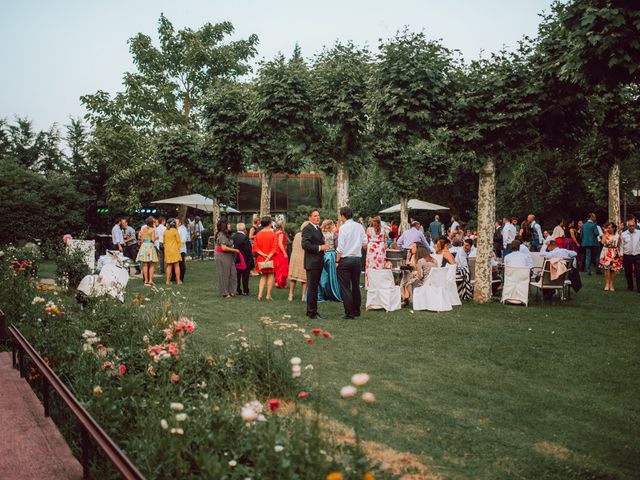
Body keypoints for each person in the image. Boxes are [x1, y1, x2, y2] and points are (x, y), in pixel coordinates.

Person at [336, 207, 368, 320]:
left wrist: (336, 261)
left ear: (343, 216)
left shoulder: (343, 228)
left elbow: (340, 247)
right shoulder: (359, 227)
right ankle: (356, 310)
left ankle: (349, 313)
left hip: (345, 259)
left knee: (345, 287)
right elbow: (365, 243)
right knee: (355, 286)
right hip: (357, 259)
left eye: (340, 215)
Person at [302, 210, 330, 319]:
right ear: (310, 218)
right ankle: (311, 312)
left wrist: (324, 247)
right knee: (313, 288)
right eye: (315, 216)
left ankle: (312, 310)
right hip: (312, 263)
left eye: (318, 215)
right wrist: (320, 248)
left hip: (318, 262)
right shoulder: (307, 229)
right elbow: (305, 245)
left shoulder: (318, 229)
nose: (317, 217)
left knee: (314, 288)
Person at [253, 216, 277, 301]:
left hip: (261, 258)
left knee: (263, 276)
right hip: (271, 258)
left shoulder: (258, 234)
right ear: (270, 223)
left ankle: (260, 294)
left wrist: (263, 255)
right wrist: (268, 257)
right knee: (271, 275)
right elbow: (274, 248)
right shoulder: (273, 234)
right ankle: (268, 295)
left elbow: (255, 247)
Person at [215, 218, 239, 297]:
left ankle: (232, 290)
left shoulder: (227, 234)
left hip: (229, 255)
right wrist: (234, 250)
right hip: (222, 256)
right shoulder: (221, 235)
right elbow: (223, 248)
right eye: (228, 224)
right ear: (224, 225)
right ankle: (225, 292)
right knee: (224, 274)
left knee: (233, 273)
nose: (230, 225)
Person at [318, 219, 341, 302]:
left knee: (323, 275)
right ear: (329, 225)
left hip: (323, 255)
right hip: (331, 255)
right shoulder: (334, 235)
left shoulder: (321, 235)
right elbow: (337, 246)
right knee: (332, 275)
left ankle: (323, 293)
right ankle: (332, 293)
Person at [288, 222, 308, 302]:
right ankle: (303, 296)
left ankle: (290, 295)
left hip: (294, 257)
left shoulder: (297, 235)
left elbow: (293, 245)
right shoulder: (307, 236)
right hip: (304, 257)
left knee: (293, 277)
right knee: (304, 278)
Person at [232, 222, 254, 296]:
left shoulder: (233, 236)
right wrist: (251, 259)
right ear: (244, 229)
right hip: (244, 259)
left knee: (237, 275)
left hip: (236, 258)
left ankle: (237, 289)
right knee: (245, 276)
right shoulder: (244, 237)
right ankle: (245, 290)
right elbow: (248, 250)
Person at [599, 222, 622, 291]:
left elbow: (619, 245)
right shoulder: (605, 234)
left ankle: (611, 284)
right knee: (606, 268)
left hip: (614, 252)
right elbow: (602, 242)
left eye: (609, 227)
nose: (608, 229)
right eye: (607, 227)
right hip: (606, 252)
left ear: (613, 228)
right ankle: (607, 283)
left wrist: (619, 254)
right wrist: (605, 235)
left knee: (613, 269)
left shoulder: (617, 235)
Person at [136, 216, 159, 285]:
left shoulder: (143, 229)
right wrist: (156, 238)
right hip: (150, 246)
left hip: (143, 246)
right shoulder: (152, 229)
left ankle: (145, 280)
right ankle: (150, 280)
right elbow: (152, 239)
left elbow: (142, 239)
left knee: (145, 264)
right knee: (151, 264)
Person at [621, 216, 640, 292]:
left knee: (638, 272)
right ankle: (630, 286)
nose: (632, 227)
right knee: (628, 272)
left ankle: (639, 288)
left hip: (637, 254)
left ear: (635, 225)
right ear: (627, 226)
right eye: (630, 226)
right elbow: (621, 245)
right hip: (627, 255)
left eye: (633, 226)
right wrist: (621, 255)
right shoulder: (623, 234)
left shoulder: (639, 233)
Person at [163, 219, 182, 285]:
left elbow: (164, 242)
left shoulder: (165, 231)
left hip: (167, 250)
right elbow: (178, 241)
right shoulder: (175, 231)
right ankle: (178, 281)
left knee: (169, 266)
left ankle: (167, 281)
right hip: (174, 250)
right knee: (176, 265)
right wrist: (180, 248)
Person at [273, 220, 289, 289]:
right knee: (283, 268)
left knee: (278, 267)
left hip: (276, 252)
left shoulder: (275, 233)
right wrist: (285, 253)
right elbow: (280, 243)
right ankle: (280, 283)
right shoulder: (281, 233)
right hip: (281, 252)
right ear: (282, 225)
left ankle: (278, 282)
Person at [173, 218, 188, 283]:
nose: (174, 223)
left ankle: (181, 278)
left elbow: (183, 240)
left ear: (179, 223)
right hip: (174, 249)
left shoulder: (183, 229)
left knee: (181, 264)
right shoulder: (173, 229)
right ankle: (173, 278)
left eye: (175, 222)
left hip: (181, 249)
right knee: (174, 264)